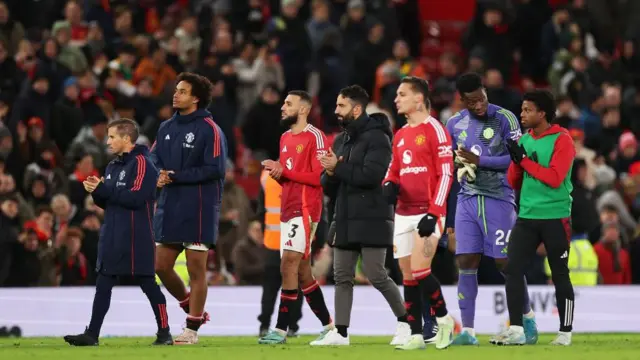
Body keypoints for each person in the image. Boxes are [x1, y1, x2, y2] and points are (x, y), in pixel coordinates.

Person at [445, 72, 538, 345]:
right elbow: (452, 169)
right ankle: (468, 333)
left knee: (505, 263)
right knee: (466, 261)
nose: (479, 105)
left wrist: (479, 159)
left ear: (486, 91)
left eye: (481, 98)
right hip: (467, 199)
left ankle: (528, 320)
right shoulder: (453, 124)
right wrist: (450, 215)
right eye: (472, 102)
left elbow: (516, 161)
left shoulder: (506, 119)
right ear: (462, 101)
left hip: (499, 197)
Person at [315, 85, 411, 346]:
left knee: (376, 273)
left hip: (373, 215)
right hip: (345, 214)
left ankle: (407, 323)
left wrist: (339, 167)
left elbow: (372, 177)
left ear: (356, 109)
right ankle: (341, 333)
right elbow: (327, 183)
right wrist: (331, 173)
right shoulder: (341, 139)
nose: (336, 110)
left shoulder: (379, 138)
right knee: (342, 275)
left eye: (341, 106)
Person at [63, 119, 172, 346]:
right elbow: (108, 203)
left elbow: (135, 198)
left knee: (147, 284)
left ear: (126, 138)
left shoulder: (143, 164)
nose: (108, 141)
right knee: (103, 282)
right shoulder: (112, 166)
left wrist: (104, 190)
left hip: (136, 236)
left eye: (112, 137)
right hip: (112, 233)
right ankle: (92, 334)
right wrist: (96, 191)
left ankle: (165, 332)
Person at [151, 72, 227, 345]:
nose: (176, 94)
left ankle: (191, 329)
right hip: (171, 204)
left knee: (196, 269)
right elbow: (153, 155)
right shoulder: (166, 127)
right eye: (176, 90)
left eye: (182, 91)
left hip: (199, 206)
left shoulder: (210, 129)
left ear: (196, 98)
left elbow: (215, 169)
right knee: (160, 265)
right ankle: (191, 307)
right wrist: (158, 172)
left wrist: (175, 176)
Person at [382, 76, 456, 350]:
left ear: (418, 98)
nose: (396, 99)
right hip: (402, 213)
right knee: (408, 276)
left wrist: (435, 212)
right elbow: (394, 170)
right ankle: (415, 334)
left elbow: (447, 174)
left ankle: (444, 319)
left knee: (421, 269)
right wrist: (388, 185)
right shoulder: (400, 135)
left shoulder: (435, 129)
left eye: (402, 94)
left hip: (428, 212)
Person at [499, 89, 576, 346]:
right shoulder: (524, 141)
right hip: (527, 215)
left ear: (542, 113)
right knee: (513, 270)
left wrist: (525, 161)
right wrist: (515, 161)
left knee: (559, 274)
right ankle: (517, 330)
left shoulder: (562, 139)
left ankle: (565, 332)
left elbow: (555, 179)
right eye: (522, 110)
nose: (522, 114)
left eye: (528, 110)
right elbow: (512, 181)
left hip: (556, 216)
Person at [258, 90, 333, 345]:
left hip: (305, 209)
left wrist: (286, 172)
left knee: (287, 265)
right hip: (287, 208)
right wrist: (278, 174)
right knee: (303, 273)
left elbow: (319, 177)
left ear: (303, 109)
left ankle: (280, 330)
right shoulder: (284, 138)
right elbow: (289, 175)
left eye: (288, 104)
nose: (282, 107)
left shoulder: (315, 137)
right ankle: (329, 326)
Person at [256, 168, 303, 337]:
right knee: (295, 286)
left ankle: (264, 325)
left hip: (272, 242)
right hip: (296, 242)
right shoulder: (302, 172)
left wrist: (265, 233)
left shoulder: (266, 176)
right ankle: (292, 327)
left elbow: (261, 210)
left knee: (270, 288)